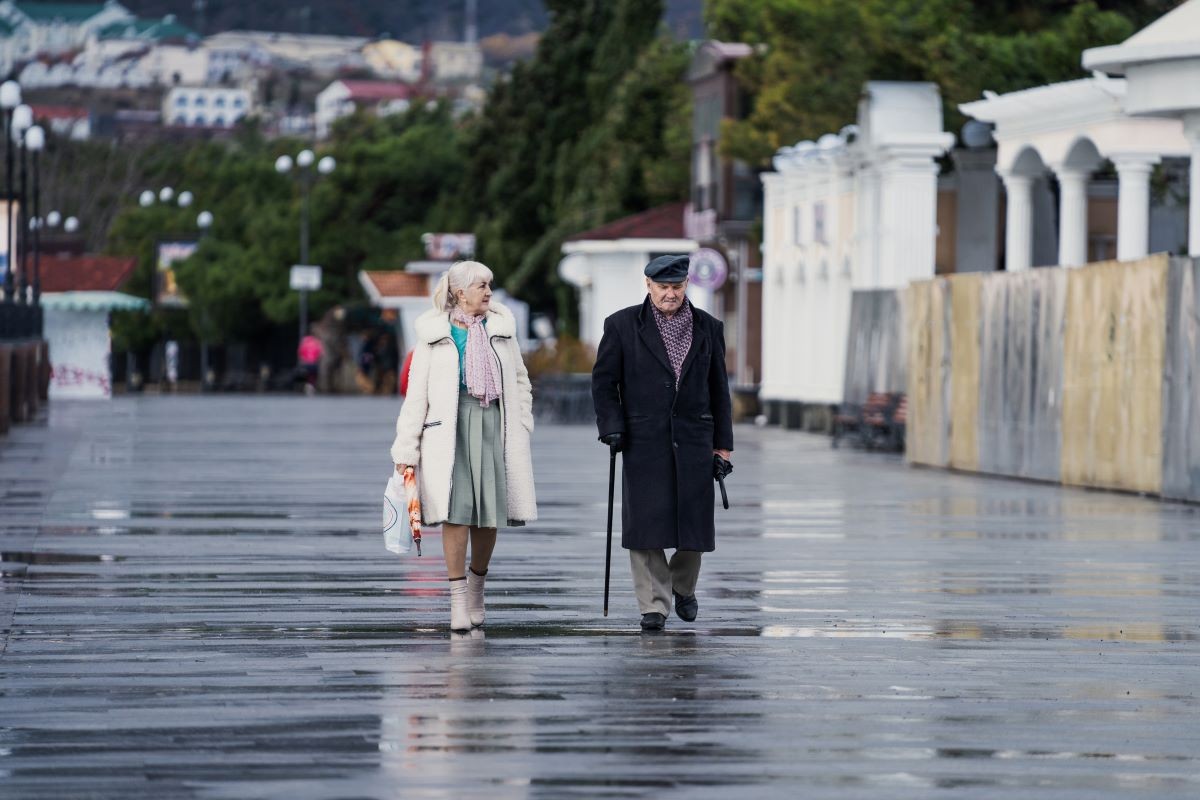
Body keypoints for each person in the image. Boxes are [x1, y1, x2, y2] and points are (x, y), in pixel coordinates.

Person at [390, 260, 537, 632]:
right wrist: (405, 451)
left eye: (490, 284)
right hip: (447, 430)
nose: (489, 292)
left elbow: (520, 379)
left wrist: (523, 419)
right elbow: (416, 396)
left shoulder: (502, 330)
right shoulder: (433, 335)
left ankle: (477, 586)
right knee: (456, 512)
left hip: (494, 426)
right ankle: (457, 599)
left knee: (490, 513)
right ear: (459, 292)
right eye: (481, 286)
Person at [591, 254, 733, 631]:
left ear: (687, 285)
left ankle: (682, 585)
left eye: (677, 287)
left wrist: (723, 444)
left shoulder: (708, 327)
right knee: (645, 525)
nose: (670, 294)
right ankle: (653, 604)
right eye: (663, 287)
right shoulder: (621, 325)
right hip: (642, 438)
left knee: (694, 527)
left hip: (694, 438)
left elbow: (720, 390)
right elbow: (604, 383)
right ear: (648, 285)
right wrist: (611, 426)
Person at [297, 328, 323, 396]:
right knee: (313, 375)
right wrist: (317, 359)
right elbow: (320, 353)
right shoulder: (317, 342)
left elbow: (300, 352)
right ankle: (311, 386)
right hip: (314, 362)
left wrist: (302, 360)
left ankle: (308, 385)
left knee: (307, 374)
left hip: (306, 363)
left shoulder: (304, 341)